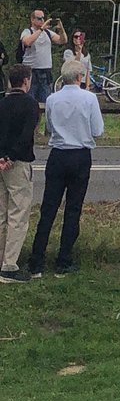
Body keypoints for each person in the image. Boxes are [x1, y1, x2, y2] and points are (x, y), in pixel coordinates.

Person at [27, 60, 104, 276]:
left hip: (58, 155)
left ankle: (37, 260)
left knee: (48, 208)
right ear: (80, 77)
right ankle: (63, 260)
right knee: (73, 209)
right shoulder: (89, 98)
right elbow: (97, 130)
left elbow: (50, 128)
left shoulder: (52, 99)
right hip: (80, 155)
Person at [0, 65, 40, 282]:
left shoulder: (2, 103)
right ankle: (9, 265)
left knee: (2, 213)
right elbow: (26, 135)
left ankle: (1, 257)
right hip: (17, 163)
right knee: (18, 214)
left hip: (0, 161)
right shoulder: (30, 105)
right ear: (26, 81)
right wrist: (11, 157)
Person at [20, 9, 67, 104]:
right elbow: (27, 41)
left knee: (46, 101)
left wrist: (60, 28)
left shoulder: (48, 33)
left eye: (43, 18)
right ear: (32, 20)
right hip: (31, 71)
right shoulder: (27, 31)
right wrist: (41, 29)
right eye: (39, 18)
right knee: (30, 101)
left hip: (45, 71)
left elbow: (63, 41)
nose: (42, 20)